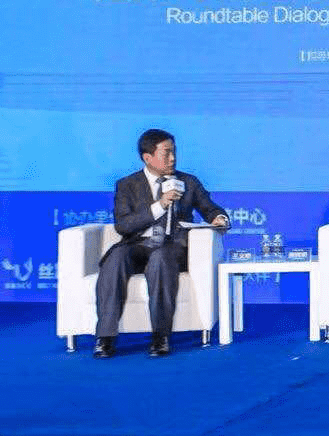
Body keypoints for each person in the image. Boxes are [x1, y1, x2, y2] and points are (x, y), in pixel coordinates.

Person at [94, 128, 229, 358]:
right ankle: (105, 338)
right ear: (148, 157)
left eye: (174, 152)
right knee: (115, 259)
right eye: (166, 153)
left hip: (172, 247)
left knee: (160, 258)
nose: (173, 158)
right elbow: (123, 226)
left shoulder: (188, 182)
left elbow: (210, 208)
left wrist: (219, 218)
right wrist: (160, 205)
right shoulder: (127, 185)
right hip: (136, 245)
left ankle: (160, 337)